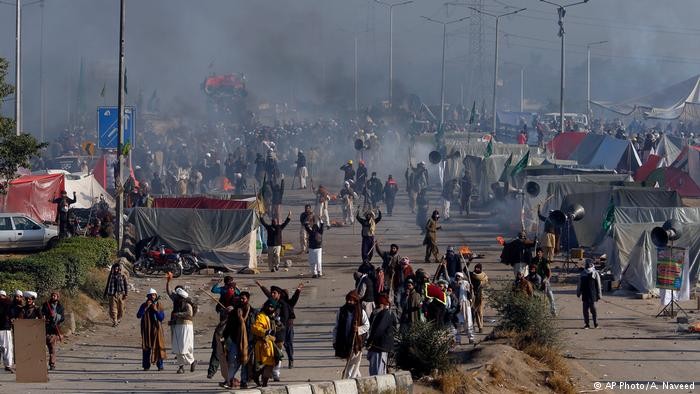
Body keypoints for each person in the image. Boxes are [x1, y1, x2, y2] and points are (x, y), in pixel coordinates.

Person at [255, 281, 303, 371]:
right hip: (278, 328)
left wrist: (298, 290)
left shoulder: (288, 303)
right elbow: (268, 294)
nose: (273, 294)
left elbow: (295, 298)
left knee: (288, 343)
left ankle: (290, 359)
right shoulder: (274, 302)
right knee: (276, 345)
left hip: (288, 326)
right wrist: (261, 286)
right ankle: (274, 367)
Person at [333, 290, 370, 379]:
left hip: (356, 342)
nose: (349, 302)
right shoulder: (341, 311)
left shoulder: (361, 312)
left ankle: (348, 379)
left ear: (355, 301)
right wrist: (334, 340)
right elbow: (336, 327)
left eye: (351, 300)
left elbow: (367, 325)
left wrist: (358, 329)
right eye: (348, 300)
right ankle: (358, 380)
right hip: (344, 342)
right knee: (353, 364)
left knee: (352, 363)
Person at [166, 275, 197, 374]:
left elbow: (189, 314)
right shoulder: (177, 300)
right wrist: (168, 282)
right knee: (177, 347)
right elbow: (169, 292)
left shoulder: (187, 302)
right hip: (177, 325)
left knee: (185, 346)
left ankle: (192, 361)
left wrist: (178, 314)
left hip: (186, 325)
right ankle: (181, 366)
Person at [136, 288, 166, 371]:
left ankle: (160, 365)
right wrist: (146, 306)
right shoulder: (144, 305)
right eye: (151, 295)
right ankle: (146, 366)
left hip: (157, 330)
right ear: (148, 297)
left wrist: (155, 310)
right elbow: (139, 315)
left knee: (158, 347)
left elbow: (161, 318)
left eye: (154, 295)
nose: (152, 297)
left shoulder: (159, 305)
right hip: (146, 330)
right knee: (146, 347)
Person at [366, 295, 396, 376]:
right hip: (375, 347)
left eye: (379, 304)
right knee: (373, 371)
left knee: (379, 373)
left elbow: (379, 329)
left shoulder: (385, 314)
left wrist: (370, 341)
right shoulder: (376, 313)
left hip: (382, 347)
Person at [251, 300, 277, 387]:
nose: (270, 308)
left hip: (269, 344)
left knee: (268, 364)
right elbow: (255, 327)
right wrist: (265, 331)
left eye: (272, 307)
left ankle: (257, 376)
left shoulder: (271, 317)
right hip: (263, 344)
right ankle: (264, 383)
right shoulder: (261, 316)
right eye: (269, 306)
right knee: (268, 364)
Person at [41, 292, 65, 370]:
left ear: (58, 297)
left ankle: (52, 363)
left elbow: (62, 318)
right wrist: (45, 317)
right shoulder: (46, 304)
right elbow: (42, 313)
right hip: (45, 328)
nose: (53, 297)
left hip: (54, 329)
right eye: (52, 295)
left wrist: (56, 316)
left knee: (52, 348)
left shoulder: (60, 307)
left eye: (55, 296)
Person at [577, 261, 602, 329]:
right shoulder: (582, 274)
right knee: (585, 310)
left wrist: (599, 294)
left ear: (592, 266)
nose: (588, 267)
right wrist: (578, 292)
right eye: (587, 266)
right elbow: (579, 284)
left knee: (593, 310)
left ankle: (596, 324)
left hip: (593, 295)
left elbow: (599, 285)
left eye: (589, 266)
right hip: (585, 294)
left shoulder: (595, 273)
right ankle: (587, 324)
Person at [104, 261, 129, 327]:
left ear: (119, 269)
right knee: (113, 308)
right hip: (112, 294)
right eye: (115, 269)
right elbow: (107, 284)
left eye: (117, 269)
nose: (116, 270)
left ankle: (118, 319)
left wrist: (126, 294)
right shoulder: (111, 276)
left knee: (121, 309)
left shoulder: (123, 276)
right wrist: (105, 293)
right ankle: (115, 321)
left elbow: (125, 285)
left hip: (120, 294)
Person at [453, 272, 475, 344]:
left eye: (459, 276)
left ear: (462, 277)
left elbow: (470, 295)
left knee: (468, 321)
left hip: (466, 304)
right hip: (457, 305)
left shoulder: (466, 283)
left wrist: (471, 289)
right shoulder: (453, 284)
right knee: (457, 323)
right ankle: (458, 340)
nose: (457, 278)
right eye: (456, 276)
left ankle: (471, 338)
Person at [534, 248, 557, 316]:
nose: (538, 253)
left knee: (550, 296)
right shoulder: (533, 260)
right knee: (537, 298)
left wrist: (547, 279)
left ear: (542, 253)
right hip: (536, 282)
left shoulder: (545, 261)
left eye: (540, 252)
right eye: (537, 252)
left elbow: (549, 271)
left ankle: (553, 311)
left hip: (545, 280)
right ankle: (537, 313)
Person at [470, 264, 488, 333]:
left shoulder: (483, 277)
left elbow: (485, 282)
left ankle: (481, 326)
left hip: (480, 296)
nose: (477, 269)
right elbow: (464, 270)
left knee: (480, 312)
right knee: (476, 311)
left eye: (478, 268)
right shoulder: (471, 275)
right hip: (473, 296)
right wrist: (469, 261)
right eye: (476, 268)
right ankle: (480, 327)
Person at [0, 291, 14, 372]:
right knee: (7, 348)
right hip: (5, 328)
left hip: (5, 328)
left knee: (7, 348)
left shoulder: (8, 304)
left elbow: (11, 315)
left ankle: (8, 365)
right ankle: (8, 365)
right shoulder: (8, 304)